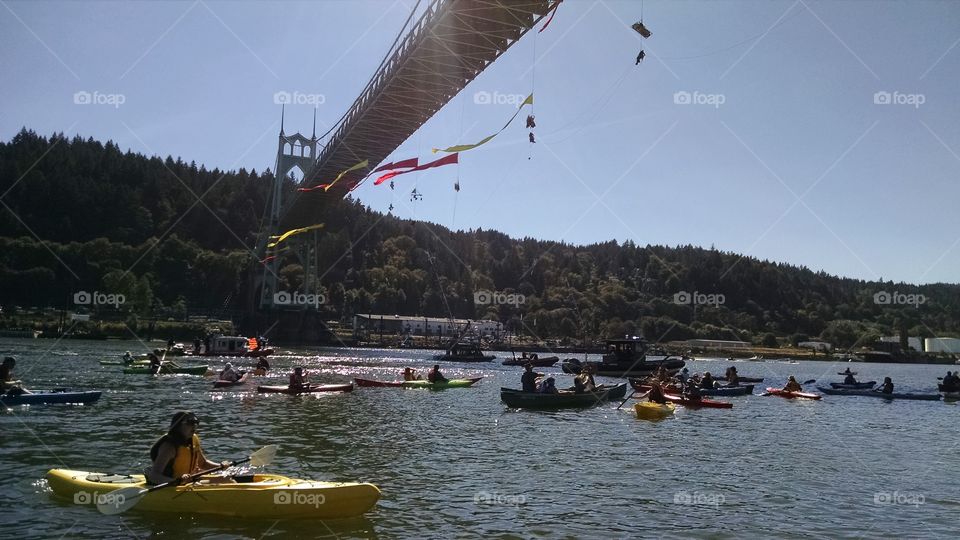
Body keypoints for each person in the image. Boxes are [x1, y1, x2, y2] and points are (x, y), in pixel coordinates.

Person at [145, 411, 227, 485]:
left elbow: (203, 464)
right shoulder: (169, 447)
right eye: (190, 422)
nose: (194, 425)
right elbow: (154, 475)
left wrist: (221, 466)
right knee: (226, 481)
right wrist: (176, 481)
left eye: (196, 422)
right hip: (171, 486)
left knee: (226, 479)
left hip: (189, 482)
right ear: (178, 426)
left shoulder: (193, 439)